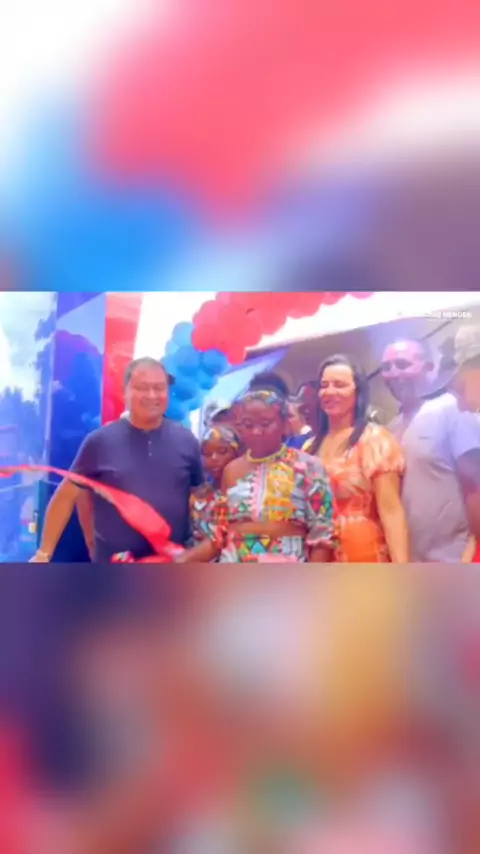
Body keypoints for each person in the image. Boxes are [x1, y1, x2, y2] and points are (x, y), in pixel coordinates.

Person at [30, 357, 204, 562]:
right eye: (142, 387)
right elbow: (67, 496)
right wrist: (44, 553)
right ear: (125, 392)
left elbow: (200, 496)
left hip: (172, 567)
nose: (151, 395)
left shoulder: (186, 440)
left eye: (159, 388)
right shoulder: (100, 441)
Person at [179, 375, 336, 563]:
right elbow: (218, 535)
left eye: (265, 424)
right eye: (248, 425)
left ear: (284, 425)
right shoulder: (231, 471)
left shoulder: (309, 467)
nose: (256, 431)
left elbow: (322, 533)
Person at [380, 337, 480, 562]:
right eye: (386, 367)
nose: (393, 373)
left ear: (428, 367)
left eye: (403, 364)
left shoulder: (452, 409)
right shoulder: (389, 428)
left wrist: (471, 555)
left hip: (456, 560)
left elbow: (476, 485)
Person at [305, 354, 409, 563]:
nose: (329, 392)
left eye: (339, 385)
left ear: (357, 392)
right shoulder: (309, 447)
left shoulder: (374, 439)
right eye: (324, 385)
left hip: (364, 554)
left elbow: (391, 512)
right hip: (318, 554)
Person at [189, 425, 241, 549]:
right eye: (207, 454)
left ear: (238, 453)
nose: (214, 458)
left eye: (222, 451)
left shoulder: (247, 495)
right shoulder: (197, 497)